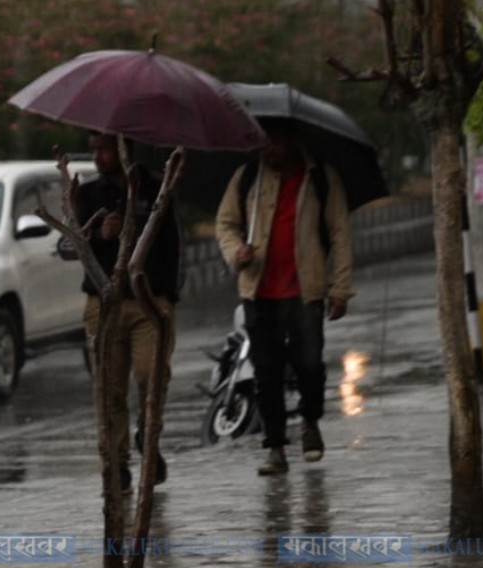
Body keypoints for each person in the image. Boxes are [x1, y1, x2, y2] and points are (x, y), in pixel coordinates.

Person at [215, 128, 354, 476]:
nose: (270, 149)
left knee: (309, 364)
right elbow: (225, 223)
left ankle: (310, 421)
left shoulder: (320, 177)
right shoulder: (247, 177)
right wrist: (237, 253)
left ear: (293, 141)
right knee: (267, 372)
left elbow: (340, 231)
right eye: (264, 142)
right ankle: (276, 447)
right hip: (258, 292)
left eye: (276, 141)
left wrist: (340, 287)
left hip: (305, 291)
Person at [74, 132, 181, 492]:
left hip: (148, 300)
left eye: (104, 148)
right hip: (104, 305)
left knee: (151, 376)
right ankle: (116, 463)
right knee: (109, 388)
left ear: (125, 148)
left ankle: (148, 441)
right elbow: (69, 244)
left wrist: (164, 297)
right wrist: (100, 235)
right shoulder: (88, 194)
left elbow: (172, 243)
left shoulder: (154, 189)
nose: (98, 157)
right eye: (95, 149)